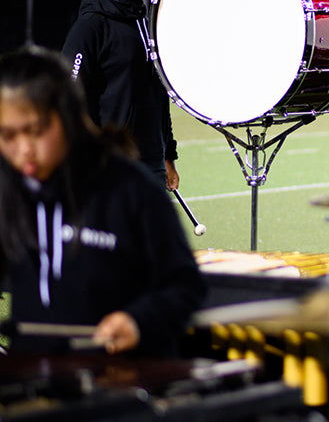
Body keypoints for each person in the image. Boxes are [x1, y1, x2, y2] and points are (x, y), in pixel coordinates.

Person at [0, 46, 205, 356]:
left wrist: (138, 321)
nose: (24, 149)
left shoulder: (130, 189)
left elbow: (186, 286)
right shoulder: (11, 189)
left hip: (118, 382)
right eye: (8, 136)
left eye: (36, 131)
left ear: (69, 117)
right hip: (35, 382)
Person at [61, 0, 179, 190]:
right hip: (109, 158)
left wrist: (168, 154)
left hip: (152, 158)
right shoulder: (90, 25)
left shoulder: (146, 24)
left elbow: (158, 94)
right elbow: (68, 93)